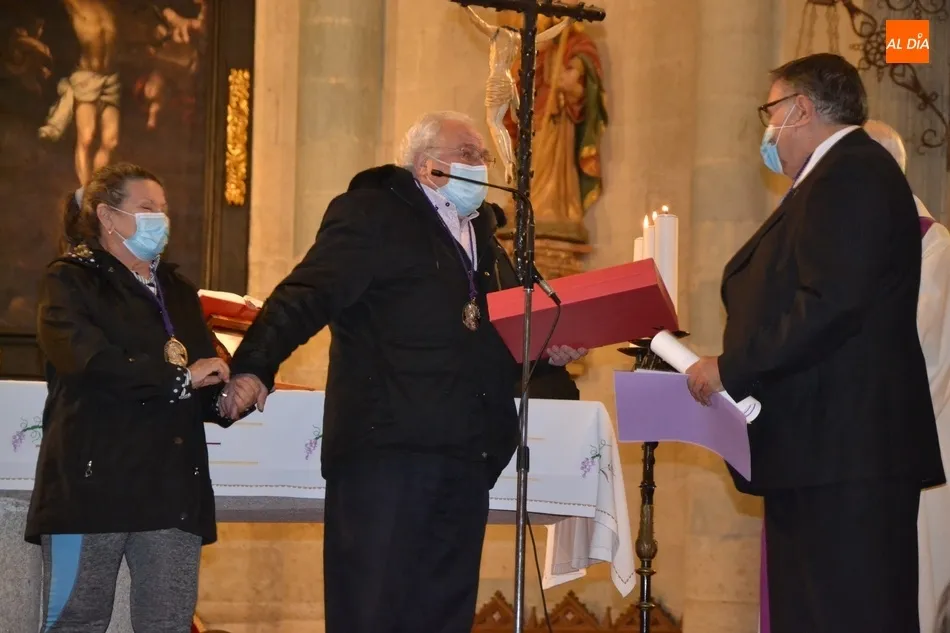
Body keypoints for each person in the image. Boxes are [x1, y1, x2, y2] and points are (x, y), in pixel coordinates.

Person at [220, 110, 586, 633]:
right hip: (386, 454)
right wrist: (254, 366)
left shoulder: (486, 235)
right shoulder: (374, 213)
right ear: (429, 167)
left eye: (483, 156)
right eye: (469, 154)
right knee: (374, 612)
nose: (482, 165)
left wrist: (545, 349)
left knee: (443, 617)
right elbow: (307, 294)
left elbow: (489, 335)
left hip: (465, 457)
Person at [684, 53, 944, 633]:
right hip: (823, 450)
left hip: (847, 454)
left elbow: (829, 302)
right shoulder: (834, 178)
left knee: (848, 614)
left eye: (770, 111)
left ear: (801, 110)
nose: (766, 128)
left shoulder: (852, 173)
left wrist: (732, 368)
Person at [27, 162, 242, 633]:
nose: (159, 219)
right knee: (76, 620)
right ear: (107, 215)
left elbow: (200, 381)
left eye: (163, 209)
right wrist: (182, 377)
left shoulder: (179, 292)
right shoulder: (70, 281)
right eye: (147, 208)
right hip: (92, 483)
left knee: (167, 622)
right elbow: (88, 361)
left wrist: (228, 397)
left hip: (170, 490)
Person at [865, 119, 950, 633]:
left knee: (913, 594)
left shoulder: (933, 247)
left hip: (919, 448)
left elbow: (911, 349)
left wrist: (905, 36)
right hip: (873, 453)